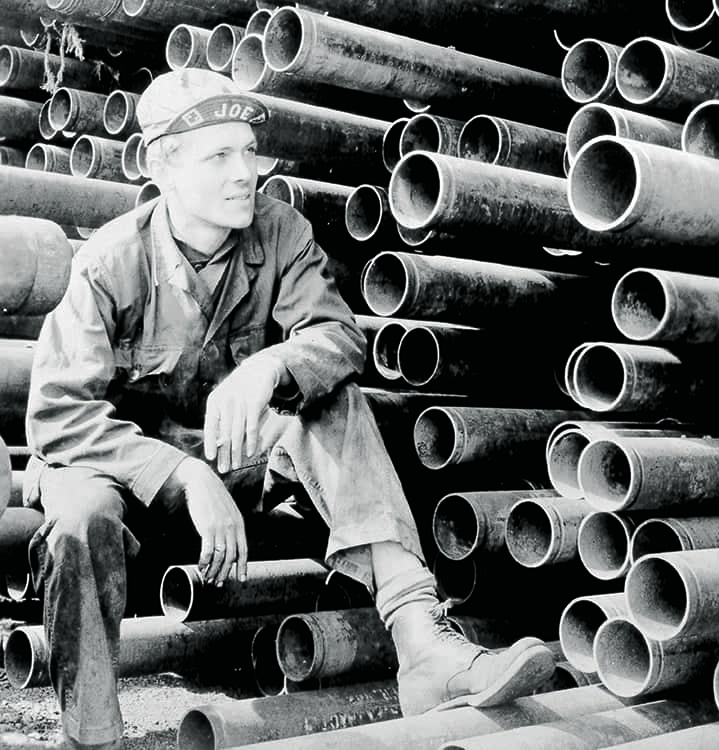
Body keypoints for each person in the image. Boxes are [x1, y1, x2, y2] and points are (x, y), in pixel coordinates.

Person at [24, 69, 555, 750]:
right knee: (78, 514)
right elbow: (60, 417)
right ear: (162, 166)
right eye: (219, 155)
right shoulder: (108, 265)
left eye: (249, 151)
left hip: (240, 474)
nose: (244, 171)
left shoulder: (280, 231)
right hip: (130, 488)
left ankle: (422, 645)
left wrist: (271, 366)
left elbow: (338, 338)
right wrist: (186, 478)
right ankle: (92, 735)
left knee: (332, 400)